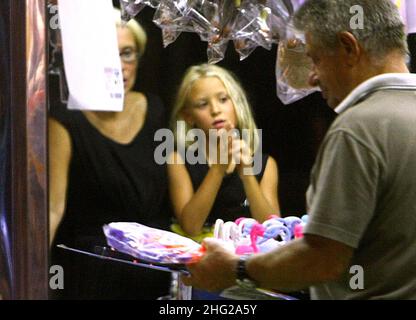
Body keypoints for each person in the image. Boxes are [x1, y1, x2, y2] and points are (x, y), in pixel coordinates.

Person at [182, 0, 416, 299]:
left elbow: (321, 259)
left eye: (315, 59)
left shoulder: (358, 128)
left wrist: (237, 269)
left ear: (349, 47)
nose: (312, 78)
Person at [49, 9, 171, 299]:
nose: (119, 66)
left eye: (127, 53)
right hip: (90, 273)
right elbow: (53, 208)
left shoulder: (155, 110)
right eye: (108, 54)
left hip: (152, 273)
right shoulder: (66, 118)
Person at [167, 64, 280, 239]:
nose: (215, 110)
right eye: (203, 104)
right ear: (188, 116)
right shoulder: (179, 160)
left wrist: (248, 176)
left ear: (236, 104)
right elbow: (190, 227)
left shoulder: (266, 165)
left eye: (223, 99)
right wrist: (218, 169)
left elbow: (272, 232)